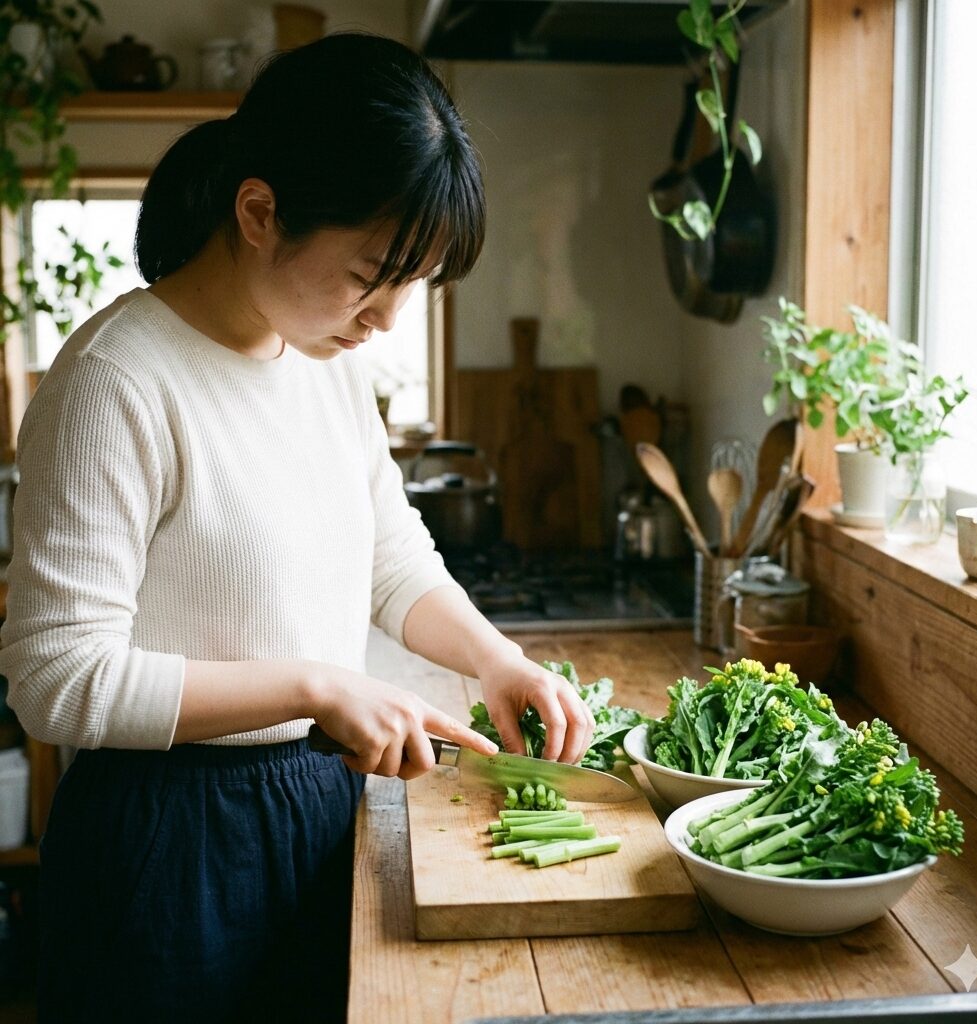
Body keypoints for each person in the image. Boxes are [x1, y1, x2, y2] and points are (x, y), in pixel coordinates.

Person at [0, 32, 595, 1023]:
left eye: (416, 282)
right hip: (165, 842)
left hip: (318, 805)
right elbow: (57, 681)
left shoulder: (324, 363)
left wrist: (497, 660)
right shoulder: (116, 380)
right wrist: (317, 685)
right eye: (373, 273)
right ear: (259, 212)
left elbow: (389, 556)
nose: (390, 318)